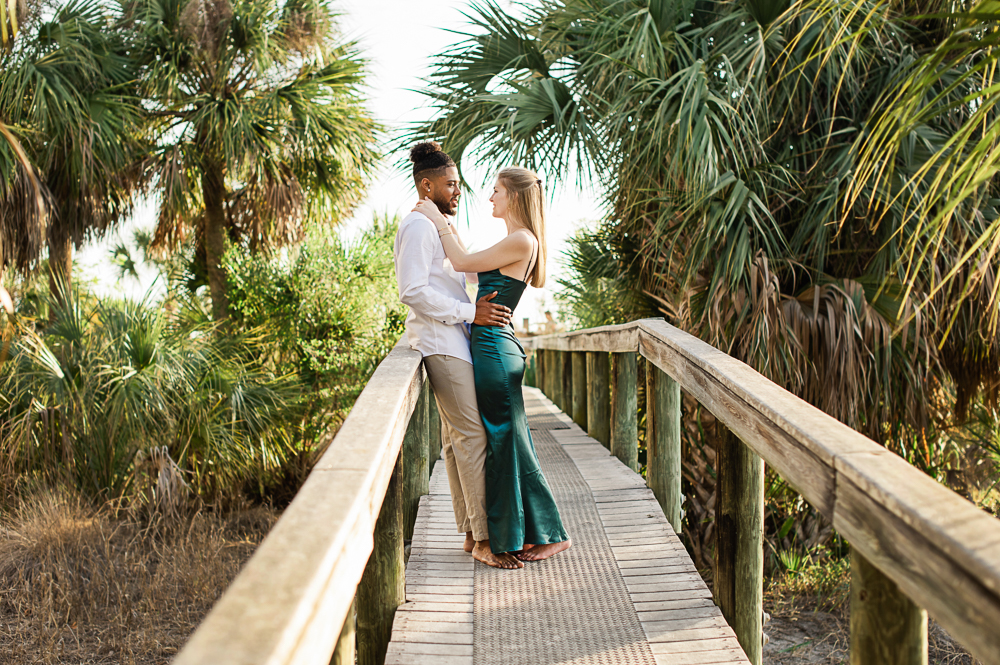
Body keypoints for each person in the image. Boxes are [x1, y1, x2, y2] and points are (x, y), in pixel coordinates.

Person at [413, 162, 572, 567]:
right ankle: (529, 532)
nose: (490, 197)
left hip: (493, 352)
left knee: (504, 440)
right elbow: (469, 260)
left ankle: (535, 534)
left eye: (497, 191)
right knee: (507, 439)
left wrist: (434, 216)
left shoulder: (521, 240)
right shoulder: (515, 240)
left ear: (514, 196)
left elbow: (464, 262)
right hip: (488, 346)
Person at [394, 141, 516, 570]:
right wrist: (470, 312)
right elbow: (411, 290)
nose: (458, 191)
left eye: (458, 184)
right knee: (472, 437)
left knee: (455, 439)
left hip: (453, 341)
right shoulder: (417, 227)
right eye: (450, 185)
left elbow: (459, 270)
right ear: (427, 186)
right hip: (441, 344)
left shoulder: (437, 225)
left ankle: (470, 533)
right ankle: (485, 539)